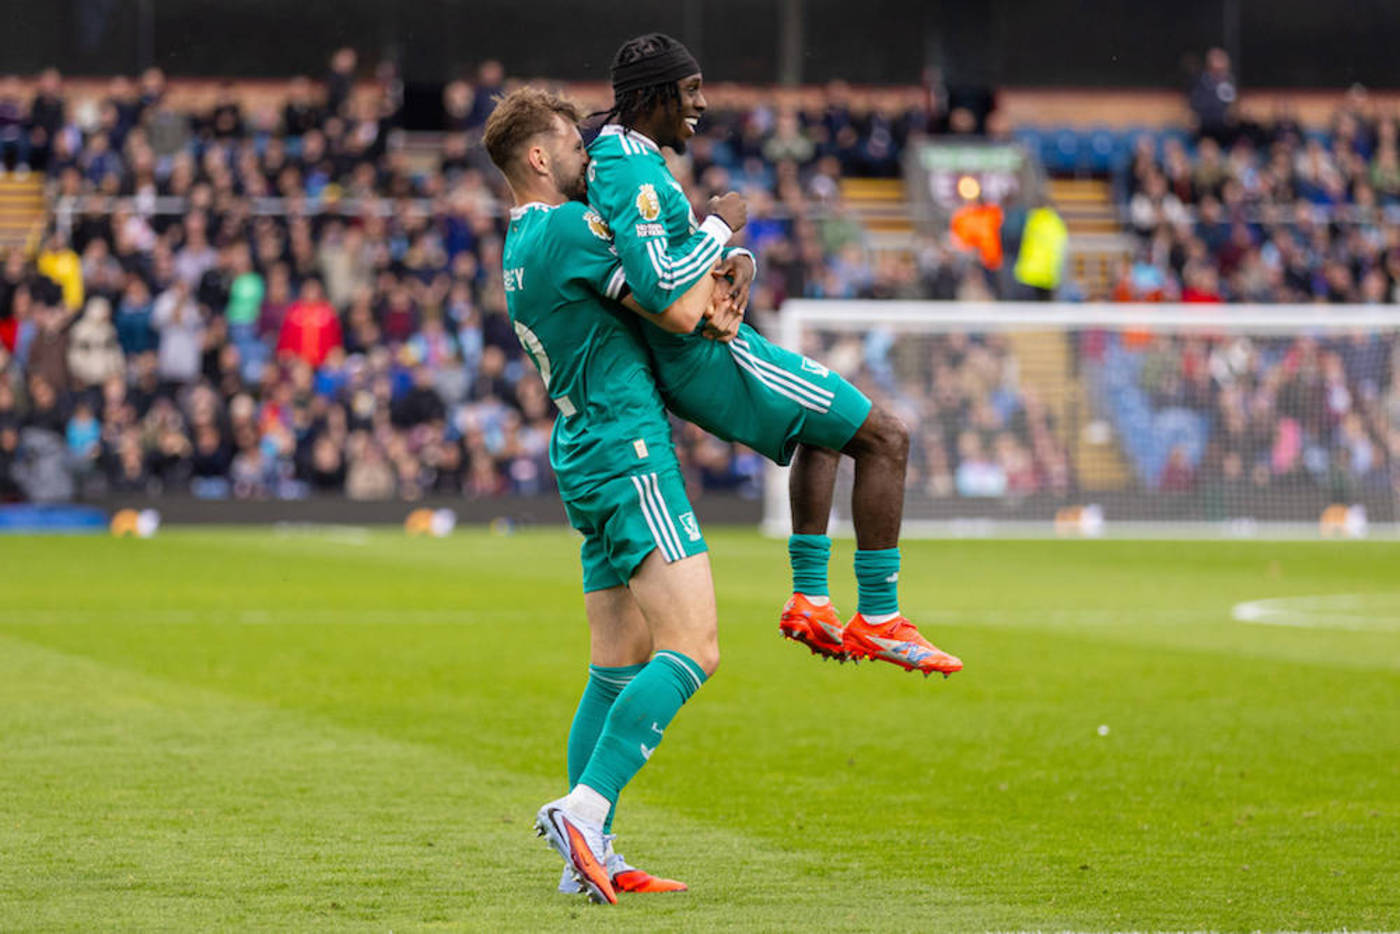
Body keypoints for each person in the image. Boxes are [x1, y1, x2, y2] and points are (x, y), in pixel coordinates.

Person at [587, 34, 961, 676]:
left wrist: (737, 261)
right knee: (887, 439)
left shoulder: (621, 157)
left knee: (821, 434)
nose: (700, 104)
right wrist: (718, 226)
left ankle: (813, 600)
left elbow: (667, 263)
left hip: (701, 350)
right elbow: (654, 282)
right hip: (709, 354)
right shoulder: (629, 167)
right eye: (690, 91)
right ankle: (878, 618)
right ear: (650, 97)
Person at [485, 87, 730, 903]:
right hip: (626, 449)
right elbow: (667, 298)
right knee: (693, 646)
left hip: (581, 451)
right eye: (575, 148)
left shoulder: (518, 245)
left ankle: (582, 857)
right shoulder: (565, 228)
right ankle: (584, 812)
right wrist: (722, 231)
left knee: (614, 663)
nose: (591, 163)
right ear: (539, 159)